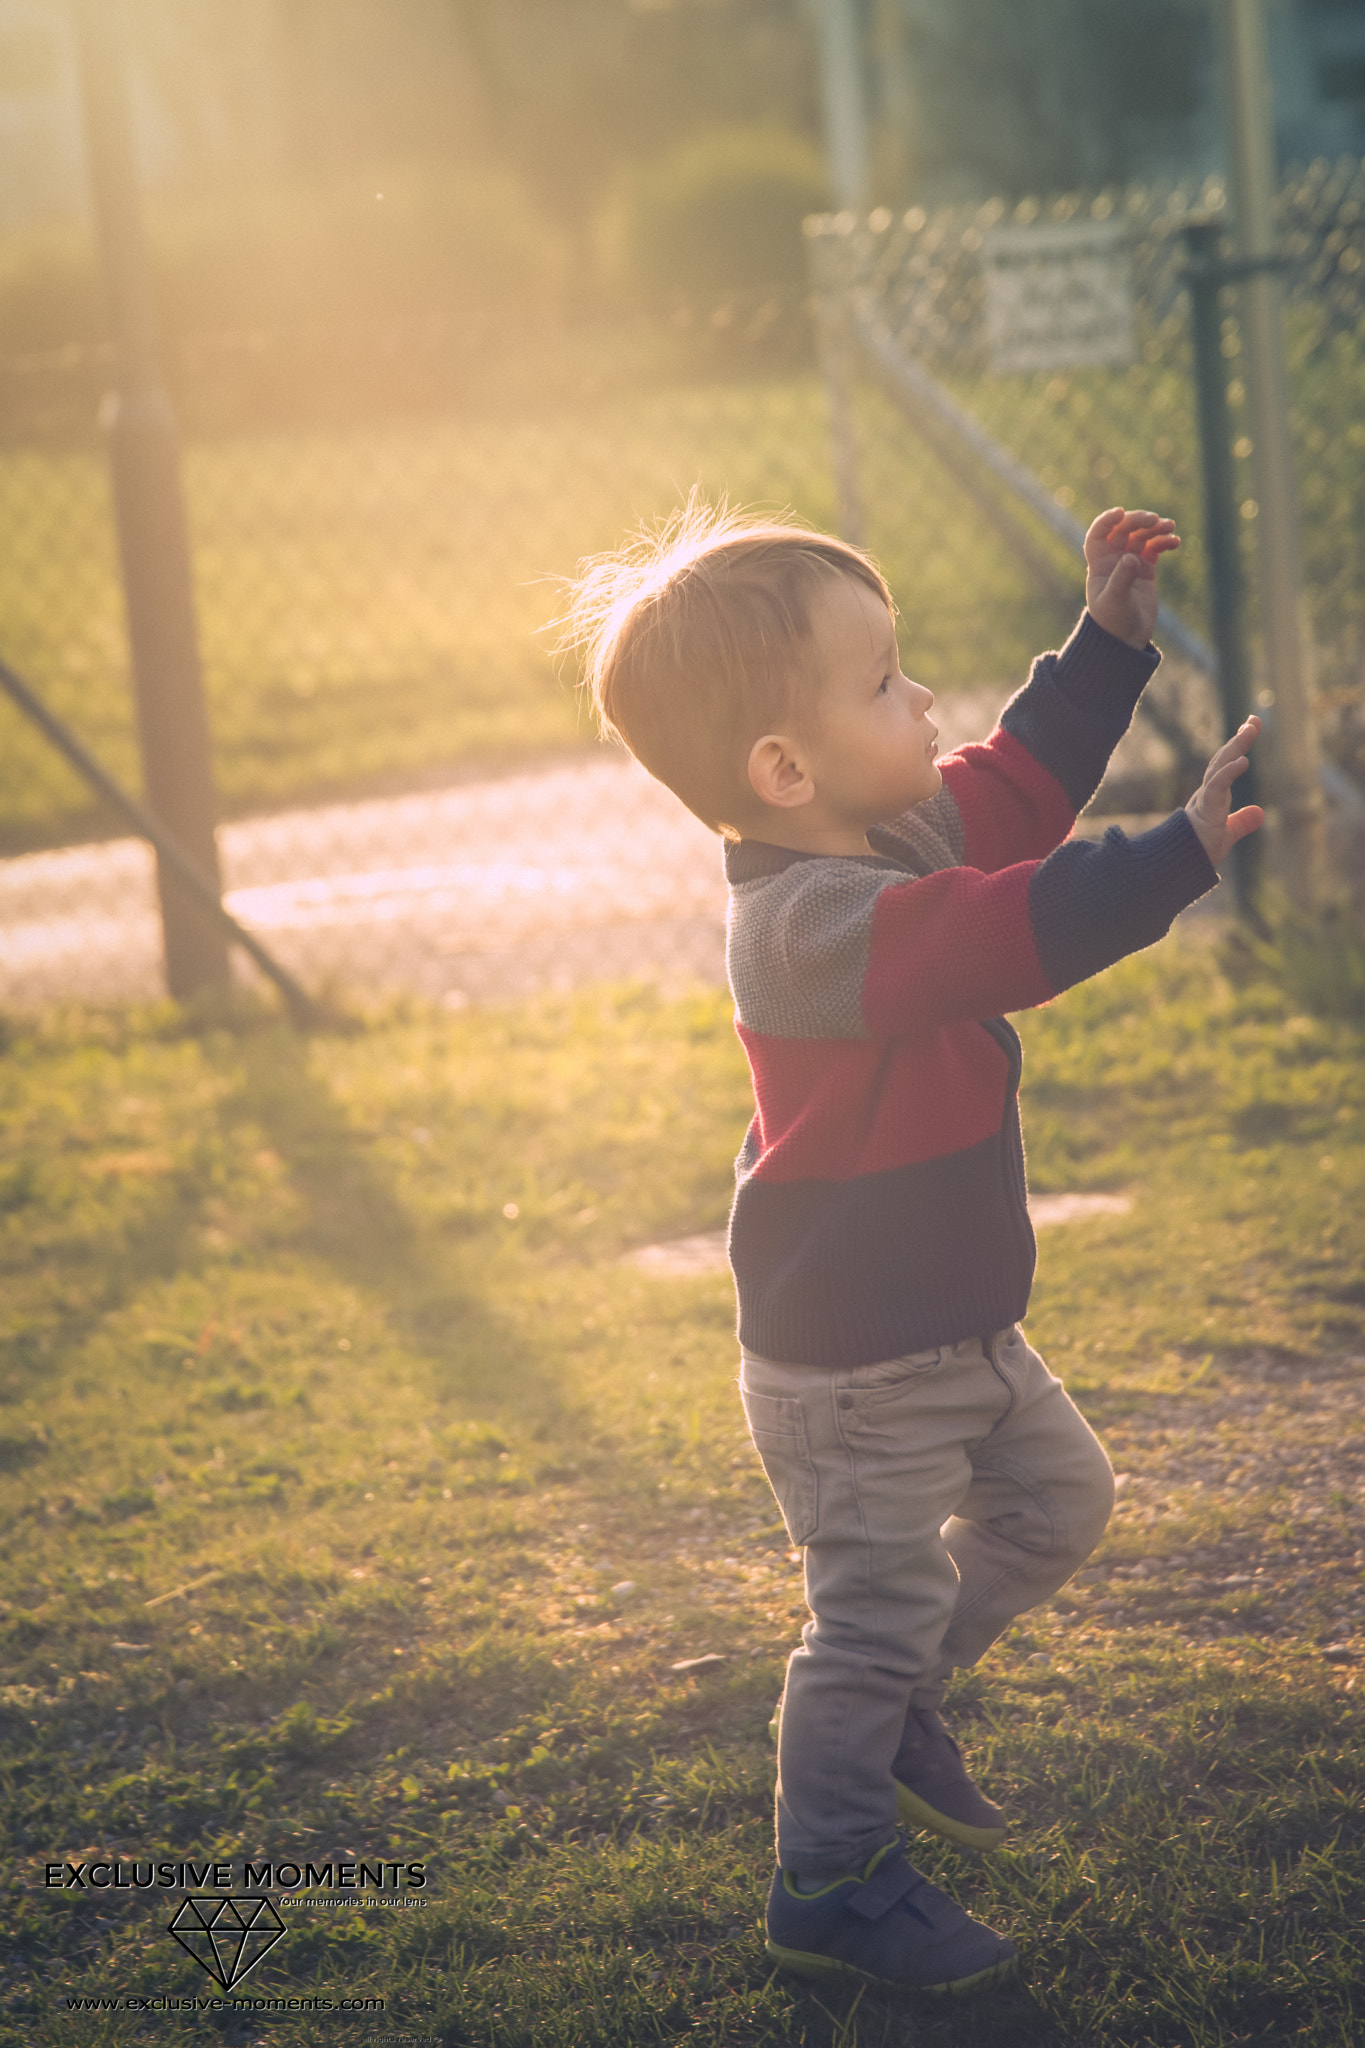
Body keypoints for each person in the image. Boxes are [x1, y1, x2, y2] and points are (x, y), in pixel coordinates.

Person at [567, 501, 1263, 1995]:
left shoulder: (875, 831)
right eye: (884, 683)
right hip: (857, 1370)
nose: (923, 700)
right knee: (863, 1617)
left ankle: (891, 1709)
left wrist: (1103, 648)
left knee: (1060, 1503)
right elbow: (1001, 928)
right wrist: (1174, 856)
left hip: (952, 1327)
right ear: (782, 769)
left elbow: (1007, 798)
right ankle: (826, 1880)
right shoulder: (808, 925)